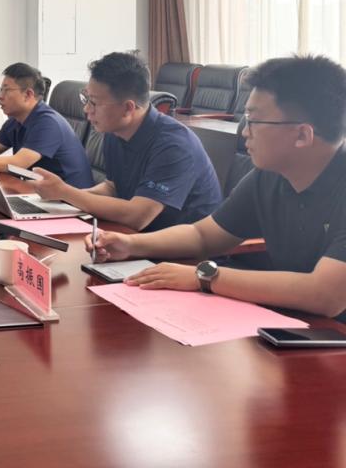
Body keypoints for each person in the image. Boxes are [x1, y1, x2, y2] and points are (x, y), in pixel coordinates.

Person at [90, 55, 346, 319]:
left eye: (254, 120)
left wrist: (205, 276)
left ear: (302, 135)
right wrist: (130, 244)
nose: (244, 131)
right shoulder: (268, 177)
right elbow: (203, 235)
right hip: (298, 325)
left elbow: (325, 295)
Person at [30, 51, 222, 231]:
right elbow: (113, 187)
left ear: (128, 108)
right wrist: (58, 199)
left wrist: (66, 193)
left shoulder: (174, 145)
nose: (86, 109)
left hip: (182, 250)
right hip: (135, 237)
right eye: (86, 99)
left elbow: (138, 216)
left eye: (94, 102)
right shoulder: (114, 132)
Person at [0, 63, 94, 187]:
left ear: (28, 94)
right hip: (40, 191)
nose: (0, 96)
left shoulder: (48, 123)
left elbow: (18, 163)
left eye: (6, 90)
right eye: (0, 89)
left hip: (69, 202)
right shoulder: (15, 120)